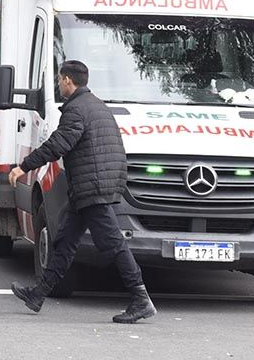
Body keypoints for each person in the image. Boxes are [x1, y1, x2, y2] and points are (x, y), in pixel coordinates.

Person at [8, 59, 156, 324]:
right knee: (65, 240)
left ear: (68, 80)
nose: (58, 84)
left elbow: (58, 144)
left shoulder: (76, 109)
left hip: (93, 186)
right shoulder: (96, 105)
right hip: (93, 185)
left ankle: (141, 299)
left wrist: (24, 166)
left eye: (59, 79)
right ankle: (38, 294)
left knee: (113, 243)